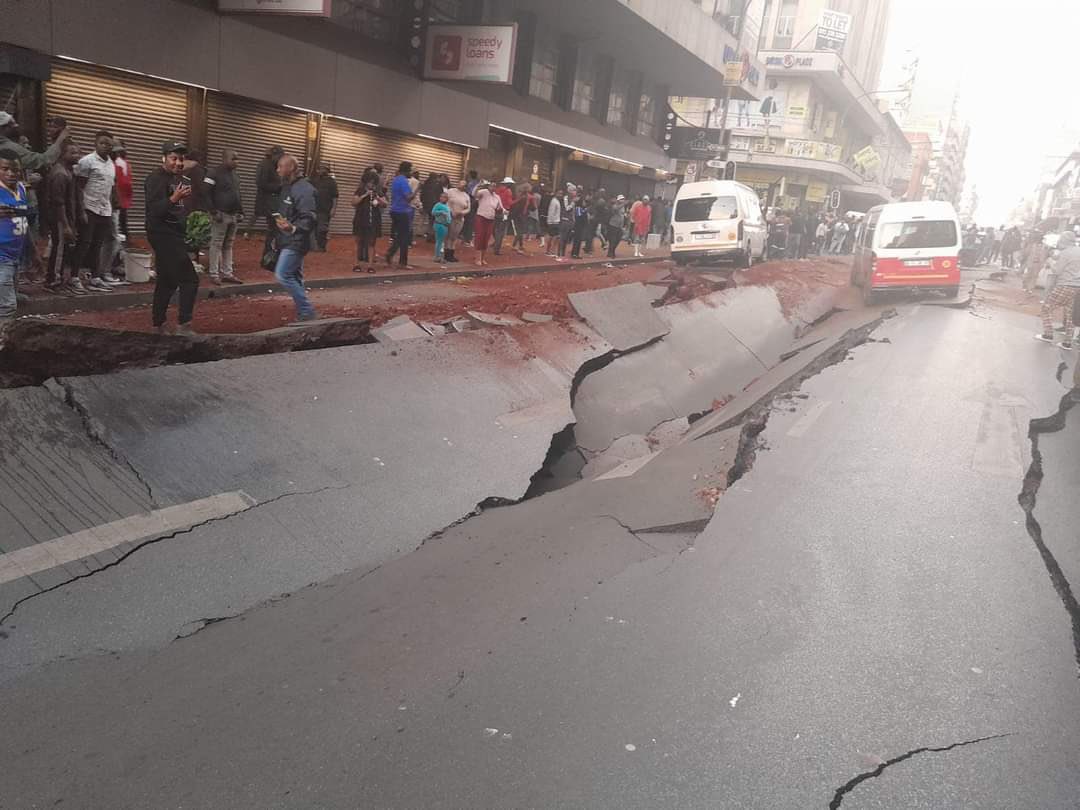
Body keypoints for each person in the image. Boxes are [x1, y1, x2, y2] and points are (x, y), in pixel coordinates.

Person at [145, 140, 198, 335]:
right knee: (190, 279)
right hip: (162, 234)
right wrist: (174, 198)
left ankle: (158, 325)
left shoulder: (176, 178)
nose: (178, 163)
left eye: (181, 159)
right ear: (164, 158)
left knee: (167, 281)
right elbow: (154, 210)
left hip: (174, 233)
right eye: (173, 158)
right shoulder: (155, 178)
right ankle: (184, 325)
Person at [272, 153, 318, 322]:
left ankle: (307, 311)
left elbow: (309, 217)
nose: (277, 170)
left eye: (280, 166)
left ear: (291, 168)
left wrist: (293, 228)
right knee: (295, 276)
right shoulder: (288, 187)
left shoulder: (304, 189)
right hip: (288, 238)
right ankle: (303, 313)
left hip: (297, 240)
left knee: (283, 274)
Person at [72, 130, 118, 291]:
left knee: (98, 245)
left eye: (109, 144)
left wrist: (112, 208)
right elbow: (79, 187)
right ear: (96, 143)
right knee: (84, 243)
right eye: (102, 143)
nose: (106, 146)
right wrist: (80, 211)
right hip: (89, 207)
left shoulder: (111, 164)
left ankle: (95, 277)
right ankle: (74, 277)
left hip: (104, 210)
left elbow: (110, 188)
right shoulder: (87, 161)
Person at [43, 140, 83, 295]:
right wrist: (65, 225)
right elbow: (58, 203)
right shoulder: (60, 174)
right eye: (72, 153)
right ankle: (53, 281)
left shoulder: (69, 171)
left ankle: (57, 279)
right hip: (60, 219)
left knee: (63, 249)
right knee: (59, 249)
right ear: (63, 154)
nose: (77, 155)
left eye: (78, 152)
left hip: (66, 218)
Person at [206, 148, 244, 285]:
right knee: (216, 243)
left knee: (228, 245)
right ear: (224, 159)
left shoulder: (235, 176)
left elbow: (238, 194)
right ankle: (214, 274)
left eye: (237, 158)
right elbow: (205, 192)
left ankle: (227, 273)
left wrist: (241, 212)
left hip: (233, 215)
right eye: (233, 158)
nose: (236, 161)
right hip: (220, 214)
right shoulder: (213, 173)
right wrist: (213, 211)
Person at [0, 150, 30, 322]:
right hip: (1, 256)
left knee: (9, 300)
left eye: (15, 170)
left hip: (15, 255)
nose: (11, 173)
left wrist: (33, 252)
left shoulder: (21, 188)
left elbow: (24, 220)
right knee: (7, 306)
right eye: (5, 169)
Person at [0, 112, 69, 174]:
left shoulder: (67, 147)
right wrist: (60, 140)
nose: (17, 125)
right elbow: (42, 160)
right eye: (12, 123)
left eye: (54, 127)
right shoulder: (9, 147)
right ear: (2, 128)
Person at [255, 145, 285, 255]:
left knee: (276, 230)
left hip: (274, 203)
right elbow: (261, 183)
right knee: (275, 229)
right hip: (270, 203)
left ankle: (271, 254)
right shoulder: (265, 165)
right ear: (274, 155)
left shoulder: (273, 165)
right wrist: (278, 187)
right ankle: (269, 255)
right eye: (279, 156)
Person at [351, 168, 383, 271]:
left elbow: (385, 203)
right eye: (369, 182)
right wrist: (364, 195)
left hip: (373, 220)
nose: (371, 184)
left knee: (371, 242)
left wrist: (378, 198)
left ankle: (370, 265)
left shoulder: (377, 192)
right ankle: (356, 264)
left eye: (373, 183)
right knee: (358, 241)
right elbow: (354, 202)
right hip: (360, 219)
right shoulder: (360, 190)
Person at [386, 161, 416, 268]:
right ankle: (402, 262)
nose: (411, 173)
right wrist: (417, 189)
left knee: (400, 236)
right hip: (402, 211)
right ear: (406, 170)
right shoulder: (403, 181)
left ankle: (391, 253)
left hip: (394, 210)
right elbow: (408, 197)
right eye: (410, 170)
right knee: (404, 238)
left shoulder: (396, 180)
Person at [473, 181, 504, 267]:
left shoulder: (497, 197)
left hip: (490, 219)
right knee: (479, 237)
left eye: (495, 186)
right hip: (481, 217)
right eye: (491, 185)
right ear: (488, 186)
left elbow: (500, 207)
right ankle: (478, 258)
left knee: (486, 238)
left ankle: (483, 258)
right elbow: (475, 194)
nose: (493, 187)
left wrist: (502, 210)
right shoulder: (483, 192)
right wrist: (478, 186)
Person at [310, 162, 339, 252]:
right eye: (320, 168)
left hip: (325, 210)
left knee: (322, 229)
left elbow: (335, 196)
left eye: (323, 169)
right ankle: (313, 246)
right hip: (314, 208)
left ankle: (321, 247)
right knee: (313, 229)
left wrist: (333, 209)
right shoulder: (314, 180)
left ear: (327, 170)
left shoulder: (331, 182)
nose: (321, 170)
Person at [445, 179, 470, 264]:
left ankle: (451, 253)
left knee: (455, 236)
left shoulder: (466, 196)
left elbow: (468, 208)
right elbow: (445, 202)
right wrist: (450, 211)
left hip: (460, 218)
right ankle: (446, 254)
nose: (462, 185)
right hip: (450, 216)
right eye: (461, 183)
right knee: (449, 235)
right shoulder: (450, 191)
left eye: (464, 185)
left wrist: (462, 212)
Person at [112, 140, 133, 240]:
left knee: (120, 218)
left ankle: (123, 238)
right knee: (118, 218)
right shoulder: (118, 162)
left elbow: (126, 180)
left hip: (122, 195)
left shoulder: (123, 162)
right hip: (118, 194)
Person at [493, 177, 515, 256]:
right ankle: (497, 248)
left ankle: (495, 243)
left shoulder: (497, 190)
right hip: (504, 211)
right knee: (501, 231)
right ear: (508, 184)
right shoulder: (508, 191)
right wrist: (517, 201)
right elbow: (510, 203)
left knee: (495, 229)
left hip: (496, 210)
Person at [431, 191, 452, 263]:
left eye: (445, 197)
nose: (443, 198)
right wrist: (441, 212)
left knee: (442, 242)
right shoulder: (438, 205)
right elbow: (433, 212)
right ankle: (437, 256)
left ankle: (440, 256)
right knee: (439, 241)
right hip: (439, 224)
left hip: (445, 225)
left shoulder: (447, 206)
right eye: (442, 197)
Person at [510, 183, 530, 253]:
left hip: (519, 215)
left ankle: (520, 245)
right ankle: (515, 245)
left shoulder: (523, 196)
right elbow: (519, 207)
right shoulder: (524, 197)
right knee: (519, 231)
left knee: (520, 231)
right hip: (520, 215)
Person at [545, 190, 562, 257]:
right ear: (556, 193)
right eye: (559, 193)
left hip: (556, 221)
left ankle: (551, 250)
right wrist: (550, 222)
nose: (560, 195)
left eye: (561, 194)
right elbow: (551, 212)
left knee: (555, 237)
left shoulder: (557, 201)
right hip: (553, 222)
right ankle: (549, 251)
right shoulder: (554, 201)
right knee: (552, 237)